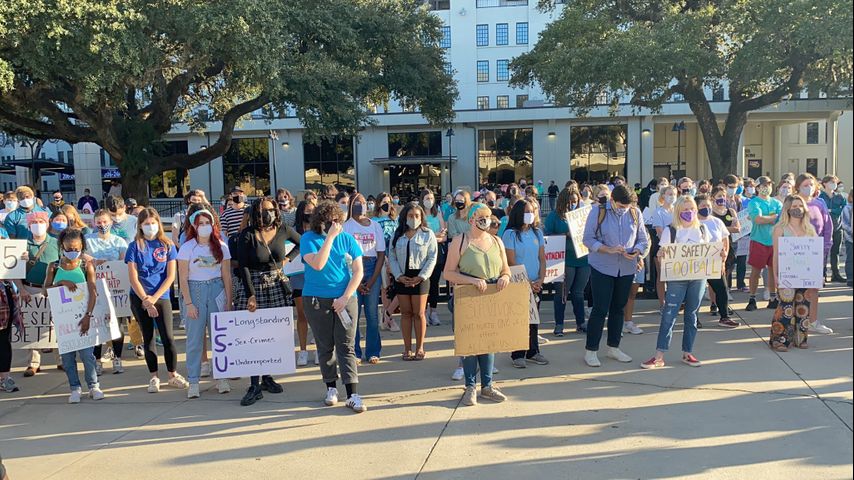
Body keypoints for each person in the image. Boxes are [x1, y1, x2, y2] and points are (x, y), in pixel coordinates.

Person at [300, 200, 368, 413]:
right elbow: (318, 264)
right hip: (316, 298)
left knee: (346, 345)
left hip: (345, 298)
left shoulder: (347, 239)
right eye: (328, 221)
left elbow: (358, 271)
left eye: (336, 221)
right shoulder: (308, 239)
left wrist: (345, 297)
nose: (333, 224)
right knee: (325, 345)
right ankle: (331, 387)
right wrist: (329, 238)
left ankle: (352, 393)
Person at [642, 196, 721, 368]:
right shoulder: (670, 231)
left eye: (691, 209)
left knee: (691, 315)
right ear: (678, 211)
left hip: (698, 278)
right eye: (685, 210)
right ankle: (659, 355)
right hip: (677, 279)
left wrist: (718, 255)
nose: (689, 212)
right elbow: (662, 255)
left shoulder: (702, 229)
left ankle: (687, 352)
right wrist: (661, 256)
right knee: (669, 315)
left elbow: (709, 251)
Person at [443, 203, 510, 406]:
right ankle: (470, 386)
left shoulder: (497, 241)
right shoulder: (460, 241)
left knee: (489, 342)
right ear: (471, 219)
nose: (485, 220)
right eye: (481, 216)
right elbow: (448, 273)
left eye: (488, 216)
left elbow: (506, 269)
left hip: (491, 297)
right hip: (468, 297)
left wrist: (504, 277)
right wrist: (471, 280)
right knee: (470, 343)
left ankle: (487, 386)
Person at [235, 197, 301, 405]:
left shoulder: (283, 230)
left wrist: (288, 259)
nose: (267, 213)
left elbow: (302, 243)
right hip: (254, 285)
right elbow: (243, 266)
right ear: (255, 213)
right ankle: (254, 384)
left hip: (276, 285)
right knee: (253, 336)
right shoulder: (247, 234)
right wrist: (250, 294)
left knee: (272, 335)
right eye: (263, 210)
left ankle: (267, 377)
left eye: (271, 209)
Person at [581, 185, 649, 367]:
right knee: (600, 308)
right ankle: (591, 350)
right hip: (602, 267)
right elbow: (587, 239)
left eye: (626, 207)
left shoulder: (635, 212)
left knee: (618, 308)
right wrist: (607, 249)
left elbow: (643, 239)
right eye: (620, 206)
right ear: (612, 200)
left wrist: (637, 251)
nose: (623, 210)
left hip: (626, 268)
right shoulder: (598, 211)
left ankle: (614, 347)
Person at [125, 208, 189, 393]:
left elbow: (170, 276)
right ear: (140, 226)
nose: (150, 227)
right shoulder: (134, 246)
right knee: (148, 337)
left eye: (153, 223)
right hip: (140, 297)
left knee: (168, 337)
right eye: (146, 224)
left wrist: (154, 298)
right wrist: (146, 300)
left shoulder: (167, 245)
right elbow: (133, 278)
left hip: (161, 296)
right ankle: (154, 376)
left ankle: (172, 374)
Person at [177, 207, 233, 398]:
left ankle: (222, 377)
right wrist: (188, 303)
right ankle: (193, 380)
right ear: (194, 226)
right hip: (196, 291)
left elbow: (227, 275)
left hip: (216, 290)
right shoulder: (187, 247)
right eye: (200, 223)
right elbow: (183, 277)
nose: (204, 226)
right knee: (195, 339)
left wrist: (229, 301)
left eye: (207, 223)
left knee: (220, 337)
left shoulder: (221, 246)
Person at [43, 228, 103, 403]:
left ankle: (93, 385)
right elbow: (45, 290)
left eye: (76, 248)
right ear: (62, 246)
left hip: (84, 316)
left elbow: (93, 292)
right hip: (64, 321)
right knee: (68, 358)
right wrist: (61, 282)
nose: (72, 252)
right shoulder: (54, 266)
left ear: (82, 246)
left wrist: (88, 316)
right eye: (69, 249)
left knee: (87, 355)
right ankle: (75, 387)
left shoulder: (86, 265)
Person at [503, 198, 549, 368]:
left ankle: (533, 351)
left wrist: (540, 280)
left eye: (532, 211)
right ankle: (517, 353)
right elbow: (511, 261)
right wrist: (528, 282)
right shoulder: (510, 234)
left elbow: (542, 258)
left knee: (533, 319)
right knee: (519, 319)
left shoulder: (537, 233)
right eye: (526, 212)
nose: (530, 214)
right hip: (518, 282)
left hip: (536, 283)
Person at [388, 201, 437, 360]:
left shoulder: (428, 234)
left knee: (419, 313)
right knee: (406, 313)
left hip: (420, 277)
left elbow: (432, 257)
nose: (414, 219)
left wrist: (421, 277)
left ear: (421, 217)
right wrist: (398, 275)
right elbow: (392, 256)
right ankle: (407, 349)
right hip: (402, 276)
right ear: (405, 217)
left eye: (417, 216)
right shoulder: (397, 235)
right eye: (410, 215)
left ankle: (420, 348)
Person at [769, 195, 817, 351]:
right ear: (788, 209)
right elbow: (776, 255)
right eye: (794, 206)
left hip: (805, 275)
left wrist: (817, 275)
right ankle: (779, 339)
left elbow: (815, 253)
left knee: (803, 306)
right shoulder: (780, 229)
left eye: (800, 206)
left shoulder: (809, 229)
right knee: (786, 308)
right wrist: (775, 276)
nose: (798, 209)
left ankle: (800, 338)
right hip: (787, 275)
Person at [15, 212, 60, 377]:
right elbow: (13, 271)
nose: (38, 224)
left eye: (41, 221)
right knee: (32, 324)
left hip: (52, 289)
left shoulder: (56, 243)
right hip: (29, 289)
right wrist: (21, 289)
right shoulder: (21, 245)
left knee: (56, 325)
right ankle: (33, 362)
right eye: (34, 222)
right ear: (29, 226)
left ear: (47, 223)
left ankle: (61, 359)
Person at [85, 209, 130, 374]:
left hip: (116, 289)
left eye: (105, 221)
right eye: (99, 222)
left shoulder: (119, 241)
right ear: (94, 223)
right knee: (96, 324)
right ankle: (97, 360)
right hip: (95, 288)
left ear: (111, 222)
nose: (102, 225)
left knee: (116, 324)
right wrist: (93, 260)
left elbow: (124, 261)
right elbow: (80, 255)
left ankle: (117, 358)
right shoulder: (87, 240)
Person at [344, 194, 386, 364]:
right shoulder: (346, 226)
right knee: (354, 315)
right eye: (357, 202)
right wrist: (357, 282)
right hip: (353, 267)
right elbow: (345, 255)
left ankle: (373, 351)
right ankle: (355, 352)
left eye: (363, 202)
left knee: (372, 314)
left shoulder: (375, 226)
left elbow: (381, 254)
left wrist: (372, 280)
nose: (361, 205)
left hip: (372, 268)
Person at [545, 188, 591, 336]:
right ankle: (559, 324)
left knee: (578, 293)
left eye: (575, 201)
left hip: (583, 259)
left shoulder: (582, 216)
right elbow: (547, 236)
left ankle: (580, 323)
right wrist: (565, 234)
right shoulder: (554, 216)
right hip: (564, 260)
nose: (572, 204)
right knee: (562, 293)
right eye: (570, 202)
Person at [795, 173, 834, 334]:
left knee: (813, 288)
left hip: (815, 251)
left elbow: (827, 226)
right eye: (805, 185)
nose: (809, 187)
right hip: (796, 251)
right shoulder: (793, 203)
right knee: (796, 288)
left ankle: (812, 321)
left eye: (811, 184)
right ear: (798, 186)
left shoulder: (820, 203)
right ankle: (795, 321)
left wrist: (825, 247)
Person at [697, 194, 739, 328]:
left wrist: (724, 255)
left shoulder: (716, 221)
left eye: (708, 205)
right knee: (696, 292)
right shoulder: (692, 223)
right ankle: (693, 318)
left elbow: (724, 239)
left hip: (714, 261)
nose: (706, 208)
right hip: (697, 263)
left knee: (721, 289)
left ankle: (724, 317)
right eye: (703, 205)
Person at [745, 176, 782, 312]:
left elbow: (781, 220)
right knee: (756, 271)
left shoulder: (776, 203)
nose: (767, 188)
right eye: (764, 185)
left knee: (773, 270)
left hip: (774, 241)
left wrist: (771, 219)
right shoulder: (754, 203)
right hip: (758, 240)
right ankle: (752, 298)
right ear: (758, 188)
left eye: (769, 185)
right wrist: (773, 218)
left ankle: (773, 297)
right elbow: (758, 219)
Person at [292, 201, 318, 366]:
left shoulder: (319, 231)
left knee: (317, 315)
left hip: (316, 277)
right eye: (307, 211)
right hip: (298, 276)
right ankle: (302, 350)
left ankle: (319, 349)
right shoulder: (293, 231)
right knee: (302, 315)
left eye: (313, 211)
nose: (310, 214)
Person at [373, 193, 400, 332]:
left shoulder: (396, 220)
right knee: (386, 288)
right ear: (379, 204)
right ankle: (389, 318)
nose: (387, 205)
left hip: (396, 256)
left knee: (400, 288)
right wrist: (385, 258)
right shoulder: (374, 221)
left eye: (389, 202)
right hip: (382, 258)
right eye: (384, 202)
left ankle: (386, 314)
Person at [420, 189, 447, 326]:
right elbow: (420, 235)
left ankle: (433, 312)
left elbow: (444, 236)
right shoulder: (420, 215)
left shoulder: (438, 214)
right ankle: (423, 311)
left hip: (437, 253)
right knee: (425, 282)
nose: (429, 201)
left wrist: (433, 237)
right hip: (423, 254)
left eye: (431, 198)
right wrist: (435, 236)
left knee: (435, 283)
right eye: (427, 198)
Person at [651, 185, 677, 306]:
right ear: (663, 196)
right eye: (670, 194)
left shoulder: (677, 210)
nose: (672, 197)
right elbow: (659, 231)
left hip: (677, 247)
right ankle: (662, 303)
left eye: (674, 194)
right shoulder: (658, 212)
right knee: (662, 275)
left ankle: (674, 300)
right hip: (663, 247)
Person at [819, 175, 848, 283]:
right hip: (824, 229)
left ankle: (836, 274)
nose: (834, 184)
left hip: (837, 227)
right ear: (824, 184)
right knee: (823, 252)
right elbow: (821, 210)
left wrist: (831, 210)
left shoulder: (840, 197)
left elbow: (843, 209)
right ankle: (822, 274)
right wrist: (833, 210)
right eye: (831, 182)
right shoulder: (820, 197)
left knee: (836, 252)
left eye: (835, 182)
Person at [842, 190, 852, 287]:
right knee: (850, 258)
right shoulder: (847, 208)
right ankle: (850, 278)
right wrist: (851, 231)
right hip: (850, 238)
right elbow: (844, 224)